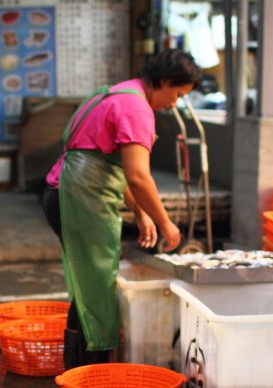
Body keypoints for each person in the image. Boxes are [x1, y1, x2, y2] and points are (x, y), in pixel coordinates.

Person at [41, 49, 202, 370]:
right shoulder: (136, 108)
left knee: (89, 283)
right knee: (95, 286)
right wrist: (166, 223)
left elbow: (114, 165)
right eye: (177, 94)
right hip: (79, 198)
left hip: (63, 193)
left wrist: (141, 213)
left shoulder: (119, 92)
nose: (174, 104)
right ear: (165, 81)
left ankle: (82, 367)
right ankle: (87, 371)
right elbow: (138, 176)